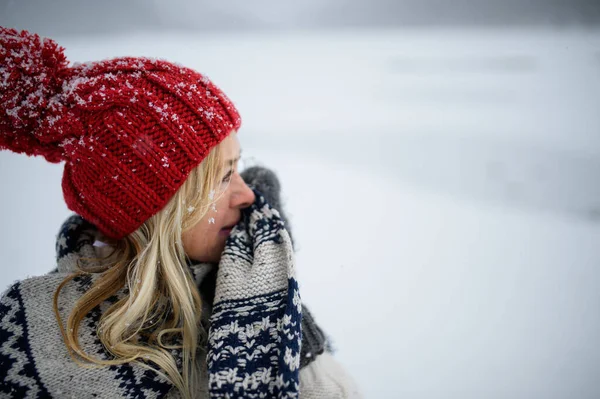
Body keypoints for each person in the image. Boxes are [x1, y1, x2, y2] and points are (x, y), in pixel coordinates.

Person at [0, 27, 361, 399]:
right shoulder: (33, 345)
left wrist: (277, 307)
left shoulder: (232, 293)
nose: (248, 194)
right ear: (159, 212)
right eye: (222, 177)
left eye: (238, 166)